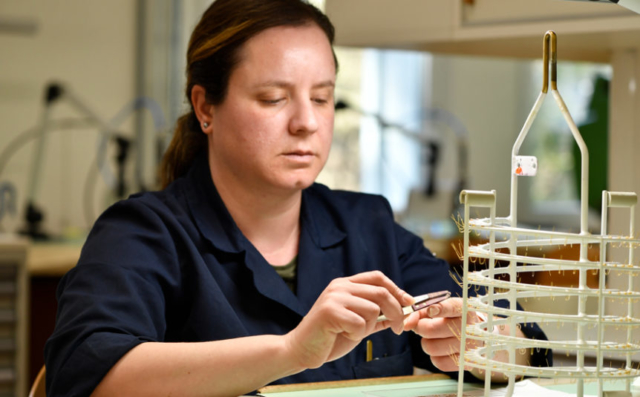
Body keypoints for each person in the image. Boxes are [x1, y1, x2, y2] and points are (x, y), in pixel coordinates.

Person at [44, 1, 550, 396]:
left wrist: (480, 343)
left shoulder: (366, 223)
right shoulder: (143, 234)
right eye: (273, 98)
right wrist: (289, 351)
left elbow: (517, 333)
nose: (306, 121)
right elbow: (86, 374)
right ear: (206, 107)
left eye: (323, 97)